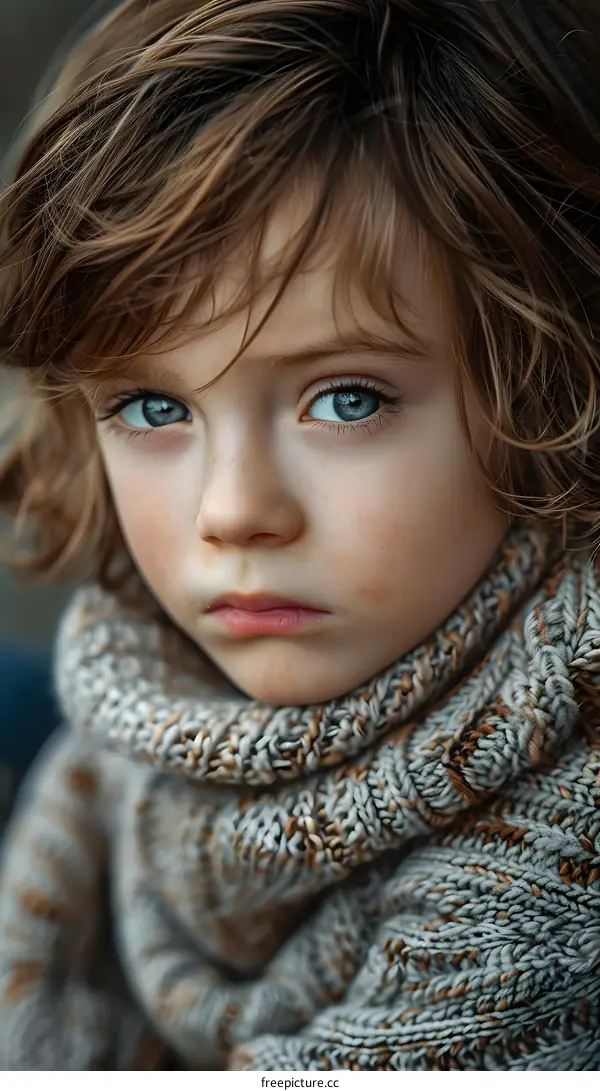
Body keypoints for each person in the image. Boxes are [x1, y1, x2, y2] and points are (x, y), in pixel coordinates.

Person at [0, 0, 599, 1072]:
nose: (234, 509)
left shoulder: (561, 866)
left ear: (542, 386)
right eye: (151, 407)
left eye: (349, 399)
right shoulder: (110, 738)